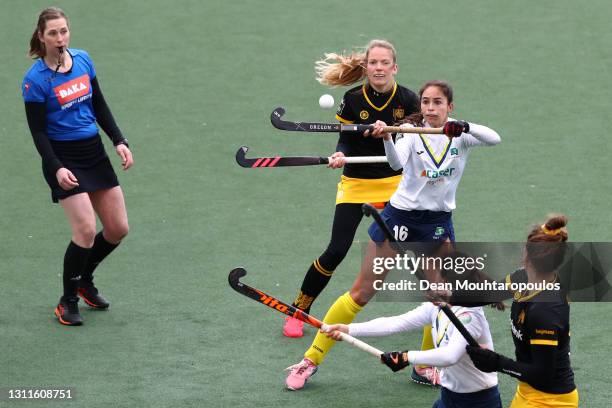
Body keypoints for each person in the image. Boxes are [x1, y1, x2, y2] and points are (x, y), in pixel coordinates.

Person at [285, 80, 501, 390]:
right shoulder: (412, 135)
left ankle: (425, 365)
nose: (430, 108)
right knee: (362, 292)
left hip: (437, 223)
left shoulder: (460, 135)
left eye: (437, 102)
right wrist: (388, 136)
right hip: (399, 218)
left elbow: (494, 138)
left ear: (449, 107)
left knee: (442, 297)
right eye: (426, 102)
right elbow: (395, 163)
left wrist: (465, 127)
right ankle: (310, 360)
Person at [283, 39, 419, 339]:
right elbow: (344, 138)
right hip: (355, 183)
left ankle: (433, 317)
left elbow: (416, 135)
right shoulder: (353, 99)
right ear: (366, 67)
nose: (379, 68)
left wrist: (391, 132)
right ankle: (298, 310)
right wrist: (340, 154)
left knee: (415, 249)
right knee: (336, 250)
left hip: (395, 185)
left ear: (394, 67)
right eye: (374, 63)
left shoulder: (409, 100)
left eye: (385, 63)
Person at [22, 7, 133, 326]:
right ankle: (66, 300)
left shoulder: (82, 60)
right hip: (61, 157)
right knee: (85, 230)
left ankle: (84, 281)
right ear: (41, 37)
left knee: (117, 229)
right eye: (53, 33)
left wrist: (119, 140)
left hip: (92, 152)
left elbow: (98, 102)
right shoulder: (35, 81)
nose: (60, 39)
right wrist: (56, 167)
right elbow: (38, 132)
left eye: (64, 31)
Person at [323, 259, 503, 408]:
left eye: (436, 279)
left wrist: (406, 357)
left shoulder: (470, 316)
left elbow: (450, 356)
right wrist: (349, 329)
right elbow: (396, 323)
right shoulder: (437, 307)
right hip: (449, 397)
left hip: (479, 402)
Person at [461, 215, 579, 407]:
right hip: (528, 392)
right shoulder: (523, 277)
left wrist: (497, 362)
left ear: (527, 253)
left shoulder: (545, 311)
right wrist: (446, 295)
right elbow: (486, 294)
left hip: (551, 401)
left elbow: (543, 375)